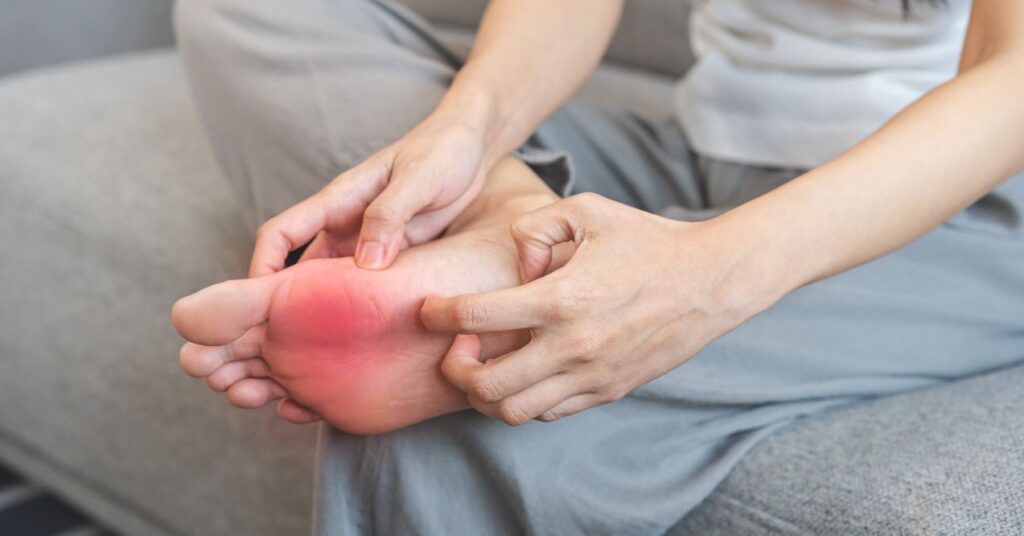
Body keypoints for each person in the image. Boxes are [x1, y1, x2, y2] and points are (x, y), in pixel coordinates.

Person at [171, 0, 1024, 532]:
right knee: (252, 7)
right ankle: (509, 224)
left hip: (962, 207)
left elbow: (1010, 75)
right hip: (699, 154)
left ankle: (512, 267)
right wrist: (474, 134)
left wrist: (707, 275)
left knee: (464, 388)